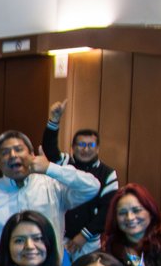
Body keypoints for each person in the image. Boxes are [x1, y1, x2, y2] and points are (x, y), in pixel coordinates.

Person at [0, 130, 99, 264]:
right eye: (5, 152)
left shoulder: (52, 186)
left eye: (19, 149)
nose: (13, 155)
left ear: (32, 155)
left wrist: (50, 168)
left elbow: (92, 187)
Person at [41, 100, 116, 257]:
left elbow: (107, 210)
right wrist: (54, 120)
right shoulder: (65, 162)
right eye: (81, 144)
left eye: (91, 145)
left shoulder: (108, 173)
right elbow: (49, 150)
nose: (86, 149)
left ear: (98, 148)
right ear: (73, 147)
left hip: (89, 242)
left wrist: (83, 236)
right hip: (61, 237)